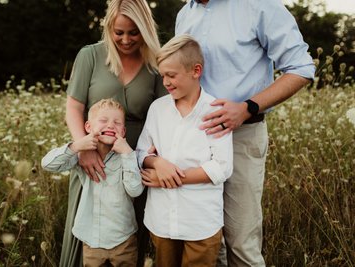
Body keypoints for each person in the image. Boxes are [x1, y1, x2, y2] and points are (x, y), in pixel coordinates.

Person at [175, 0, 316, 266]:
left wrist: (247, 108)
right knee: (205, 242)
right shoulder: (185, 14)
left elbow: (301, 69)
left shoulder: (258, 5)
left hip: (242, 135)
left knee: (241, 242)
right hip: (193, 139)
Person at [64, 0, 166, 266]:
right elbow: (74, 108)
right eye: (118, 32)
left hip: (135, 164)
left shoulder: (156, 64)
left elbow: (166, 114)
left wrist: (153, 158)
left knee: (130, 241)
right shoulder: (90, 56)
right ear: (108, 27)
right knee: (90, 234)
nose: (125, 39)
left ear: (145, 29)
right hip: (93, 160)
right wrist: (83, 147)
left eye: (134, 32)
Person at [136, 34, 233, 267]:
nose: (166, 82)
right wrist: (159, 164)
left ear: (196, 70)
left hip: (200, 222)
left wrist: (169, 179)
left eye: (172, 75)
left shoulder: (215, 111)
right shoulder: (158, 109)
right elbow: (141, 152)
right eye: (163, 76)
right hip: (162, 220)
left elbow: (221, 167)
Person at [42, 99, 143, 267]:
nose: (111, 125)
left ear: (123, 131)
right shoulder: (82, 156)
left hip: (123, 239)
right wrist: (76, 146)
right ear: (88, 127)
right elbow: (47, 164)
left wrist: (127, 154)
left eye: (117, 123)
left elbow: (135, 190)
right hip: (91, 239)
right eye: (103, 121)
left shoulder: (128, 157)